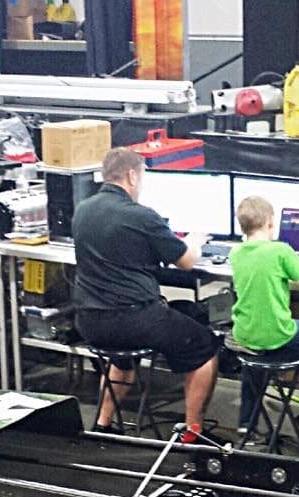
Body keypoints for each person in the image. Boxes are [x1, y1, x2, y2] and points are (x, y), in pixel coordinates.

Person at [72, 147, 218, 442]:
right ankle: (192, 433)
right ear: (132, 176)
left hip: (90, 323)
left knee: (121, 358)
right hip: (136, 321)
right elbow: (187, 261)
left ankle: (102, 424)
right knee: (205, 347)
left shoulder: (83, 209)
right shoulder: (141, 216)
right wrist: (195, 241)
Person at [229, 196, 299, 437]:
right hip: (278, 333)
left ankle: (246, 426)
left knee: (254, 365)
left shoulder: (235, 253)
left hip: (244, 334)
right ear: (270, 222)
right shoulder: (281, 250)